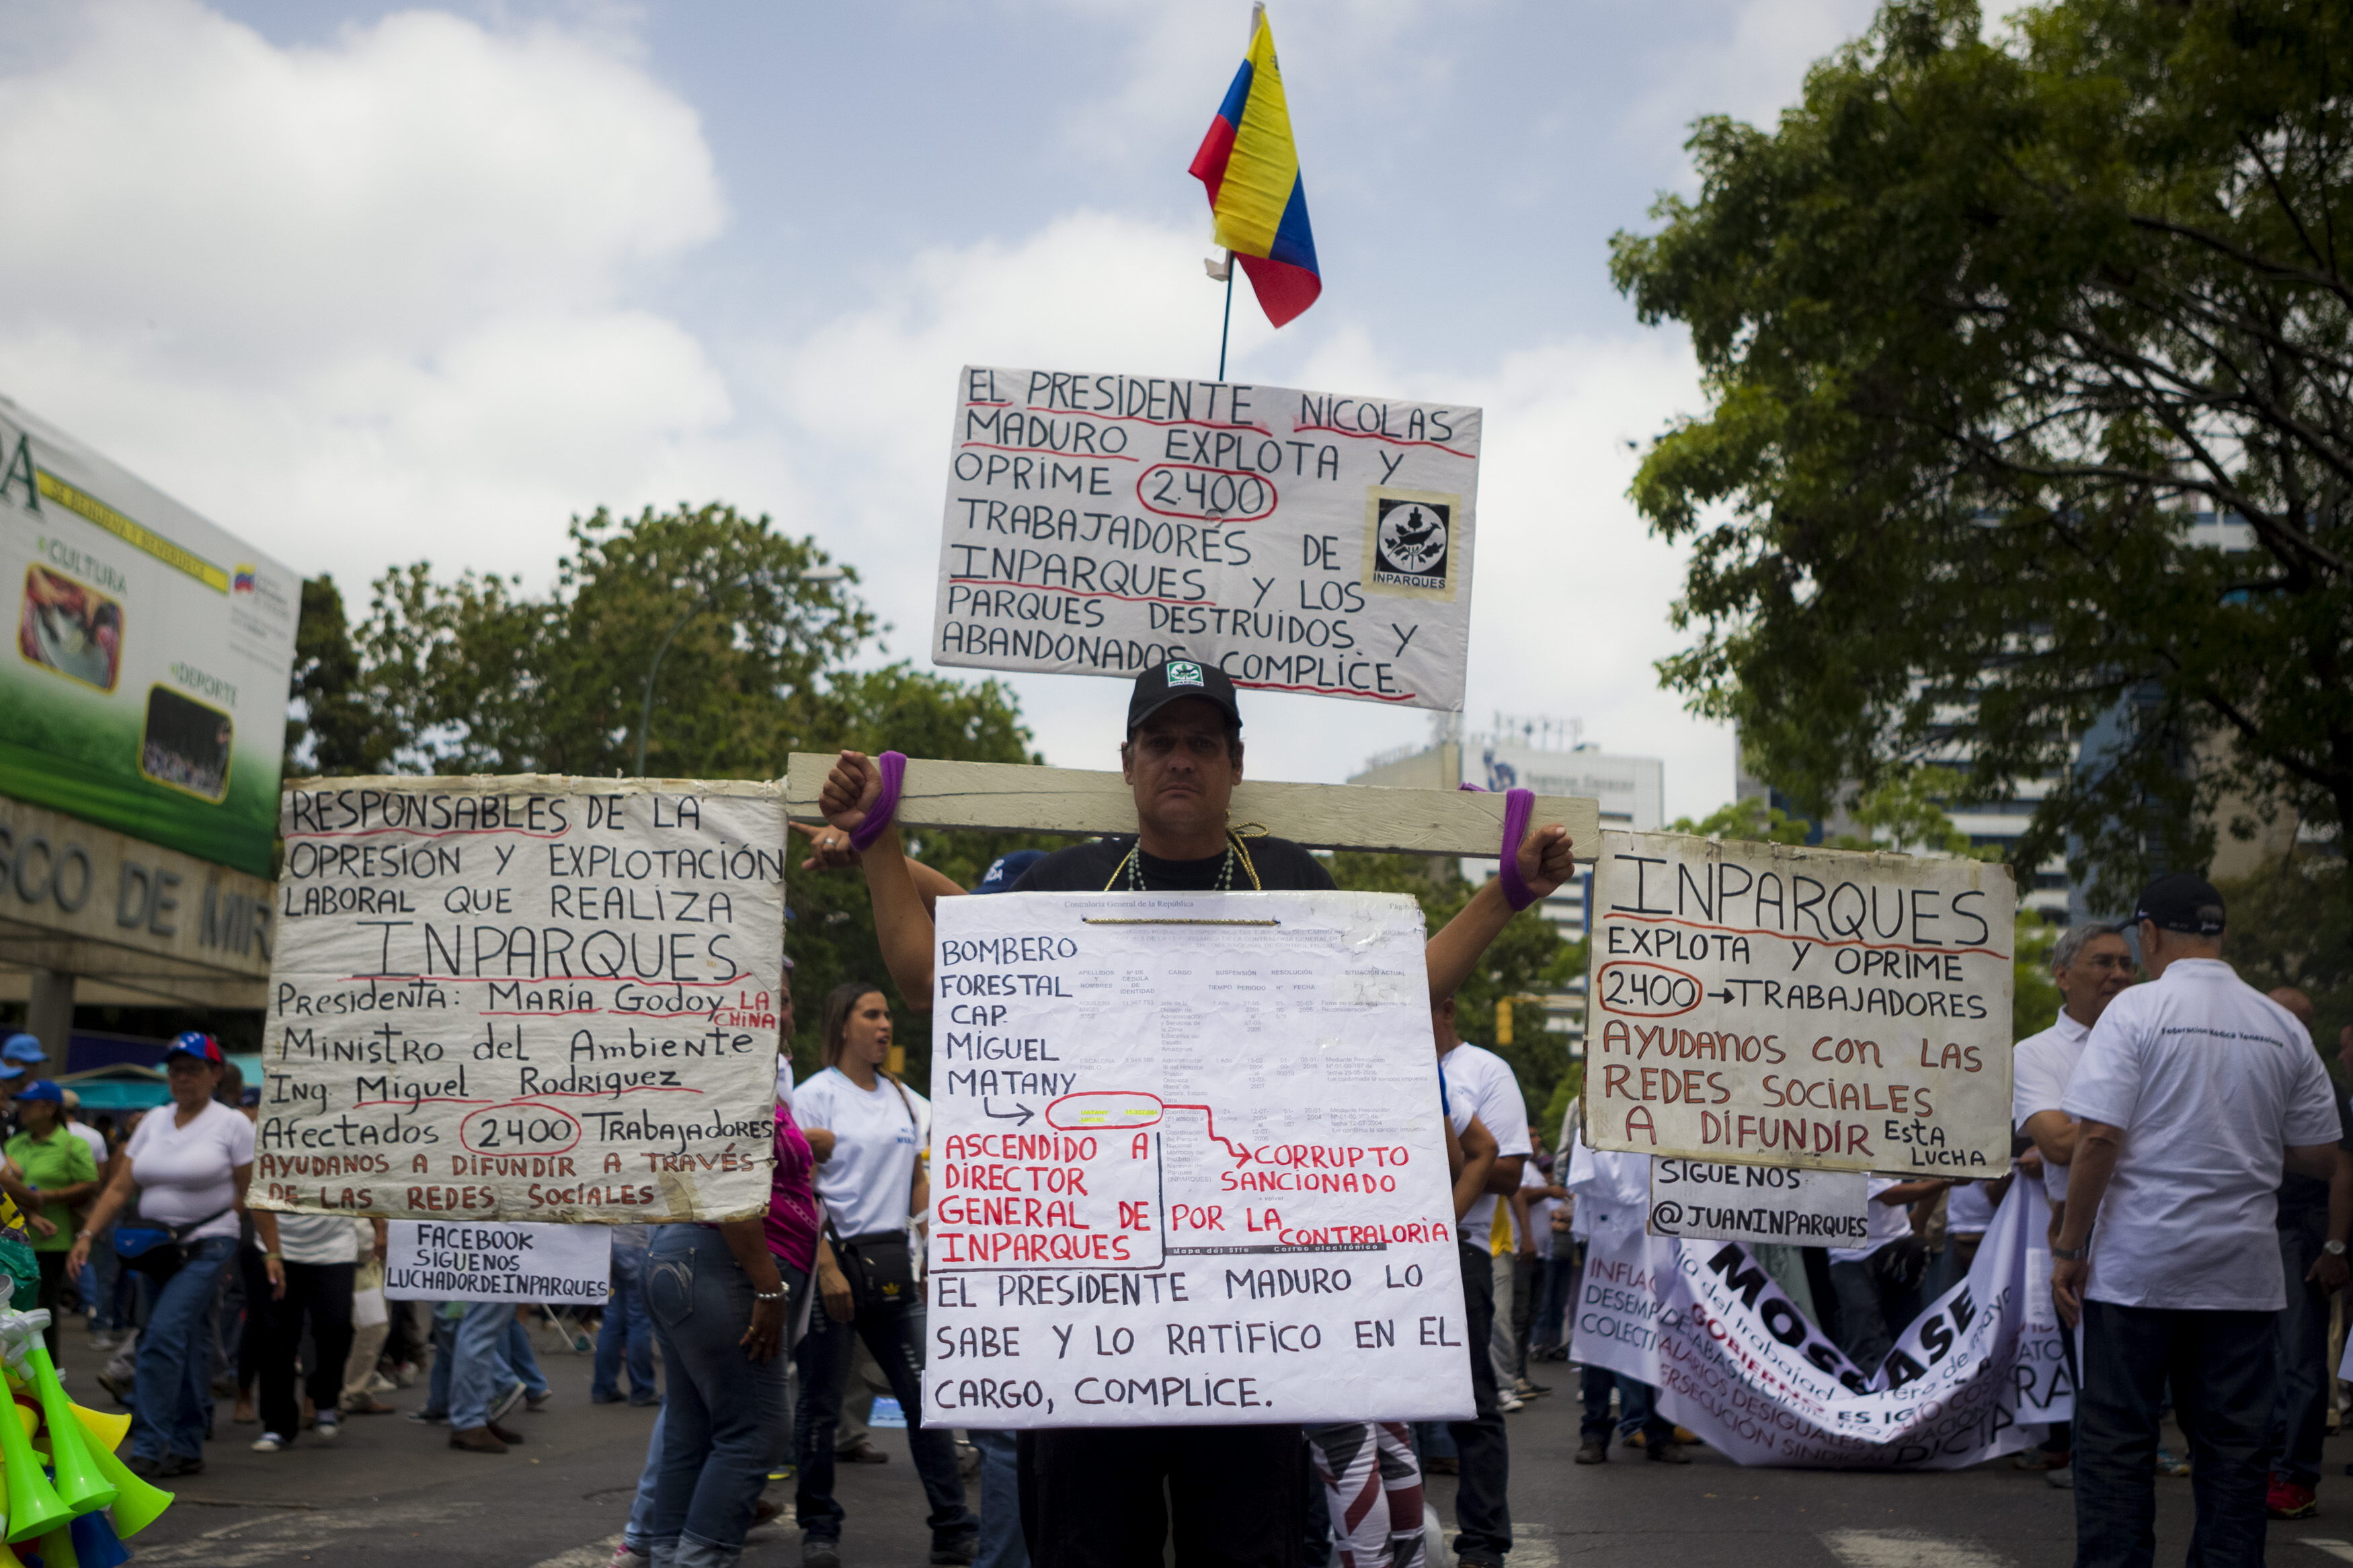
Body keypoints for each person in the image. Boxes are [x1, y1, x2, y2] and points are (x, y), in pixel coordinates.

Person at [816, 659, 1576, 1568]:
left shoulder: (1293, 884)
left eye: (1204, 744)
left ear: (1236, 765)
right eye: (1163, 742)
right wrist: (876, 840)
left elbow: (1393, 999)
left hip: (1249, 1333)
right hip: (1088, 1331)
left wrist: (1509, 894)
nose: (1182, 760)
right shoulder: (1066, 885)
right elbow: (921, 975)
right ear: (1129, 761)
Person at [2051, 873, 2343, 1568]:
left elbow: (2095, 1139)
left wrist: (2069, 1245)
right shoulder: (2277, 1023)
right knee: (2235, 1455)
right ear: (2219, 934)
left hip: (2136, 1273)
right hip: (2240, 1277)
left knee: (2117, 1447)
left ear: (2148, 933)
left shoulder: (2134, 1011)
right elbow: (2318, 1152)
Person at [792, 983, 975, 1567]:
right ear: (843, 1025)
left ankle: (952, 1526)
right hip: (835, 1268)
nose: (884, 1024)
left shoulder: (905, 1098)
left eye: (888, 1014)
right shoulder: (814, 1097)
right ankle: (819, 1527)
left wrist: (932, 1241)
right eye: (871, 1014)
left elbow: (919, 1177)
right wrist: (824, 1267)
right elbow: (798, 1188)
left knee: (929, 1399)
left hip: (894, 1268)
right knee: (821, 1405)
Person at [63, 1032, 254, 1478]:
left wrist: (264, 1251)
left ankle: (149, 1444)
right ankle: (188, 1443)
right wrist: (88, 1233)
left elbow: (250, 1190)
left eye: (193, 1069)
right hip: (157, 1249)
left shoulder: (233, 1124)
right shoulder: (154, 1120)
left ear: (214, 1074)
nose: (182, 1077)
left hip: (209, 1243)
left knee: (161, 1335)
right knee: (188, 1342)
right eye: (175, 1069)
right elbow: (119, 1186)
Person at [2012, 919, 2137, 1485]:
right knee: (2091, 1367)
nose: (2118, 974)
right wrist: (2132, 1111)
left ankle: (2118, 1465)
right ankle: (2096, 1470)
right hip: (2080, 1237)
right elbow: (2060, 1145)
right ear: (2063, 976)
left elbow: (2074, 1134)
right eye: (2103, 963)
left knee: (2142, 1380)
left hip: (2149, 1231)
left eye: (2126, 963)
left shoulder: (2150, 1035)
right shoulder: (2034, 1054)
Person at [2260, 986, 2352, 1521]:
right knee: (2262, 1358)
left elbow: (2344, 1177)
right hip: (2262, 1231)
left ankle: (2297, 1474)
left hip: (2304, 1236)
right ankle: (2270, 1464)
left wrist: (2335, 1247)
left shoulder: (2326, 1090)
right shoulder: (2268, 1076)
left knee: (2299, 1360)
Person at [1562, 1119, 1685, 1465]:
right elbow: (1587, 1175)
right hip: (1609, 1239)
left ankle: (1660, 1432)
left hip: (1658, 1229)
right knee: (1601, 1330)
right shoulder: (1598, 1109)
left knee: (1659, 1335)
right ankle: (1595, 1431)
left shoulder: (1670, 1110)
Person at [247, 1204, 378, 1452]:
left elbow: (369, 1180)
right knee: (277, 1337)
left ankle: (326, 1399)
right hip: (278, 1246)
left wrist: (380, 1230)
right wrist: (273, 1253)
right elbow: (258, 1193)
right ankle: (277, 1425)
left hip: (335, 1248)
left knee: (337, 1326)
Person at [3, 1079, 97, 1360]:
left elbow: (90, 1183)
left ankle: (49, 1377)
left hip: (51, 1241)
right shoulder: (14, 1143)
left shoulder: (72, 1145)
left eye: (28, 1104)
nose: (21, 1109)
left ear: (49, 1108)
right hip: (12, 1240)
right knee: (12, 1313)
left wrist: (47, 1197)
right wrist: (31, 1203)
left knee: (41, 1313)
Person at [1825, 1175, 1948, 1374]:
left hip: (1895, 1245)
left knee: (1907, 1323)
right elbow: (1889, 1196)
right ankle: (1862, 1386)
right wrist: (1945, 1182)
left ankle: (1910, 1380)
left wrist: (1918, 1229)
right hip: (1849, 1253)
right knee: (1862, 1325)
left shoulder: (1888, 1148)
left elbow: (1927, 1174)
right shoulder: (1841, 1151)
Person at [595, 1225, 660, 1407]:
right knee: (639, 1321)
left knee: (612, 1321)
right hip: (639, 1244)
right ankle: (642, 1390)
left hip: (610, 1244)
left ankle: (603, 1388)